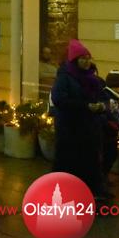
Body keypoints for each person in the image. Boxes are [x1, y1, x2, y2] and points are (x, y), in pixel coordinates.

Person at [50, 39, 110, 199]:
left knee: (90, 159)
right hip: (70, 127)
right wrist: (86, 106)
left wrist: (102, 106)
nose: (86, 62)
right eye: (83, 58)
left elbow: (103, 96)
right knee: (69, 161)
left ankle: (92, 189)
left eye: (88, 58)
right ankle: (65, 191)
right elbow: (59, 99)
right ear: (75, 60)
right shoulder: (65, 77)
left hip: (89, 126)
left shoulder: (93, 78)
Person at [102, 70, 119, 180]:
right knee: (107, 156)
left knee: (111, 156)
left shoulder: (117, 99)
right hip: (107, 134)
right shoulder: (107, 98)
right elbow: (111, 116)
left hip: (113, 134)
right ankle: (102, 179)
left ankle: (104, 178)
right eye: (118, 87)